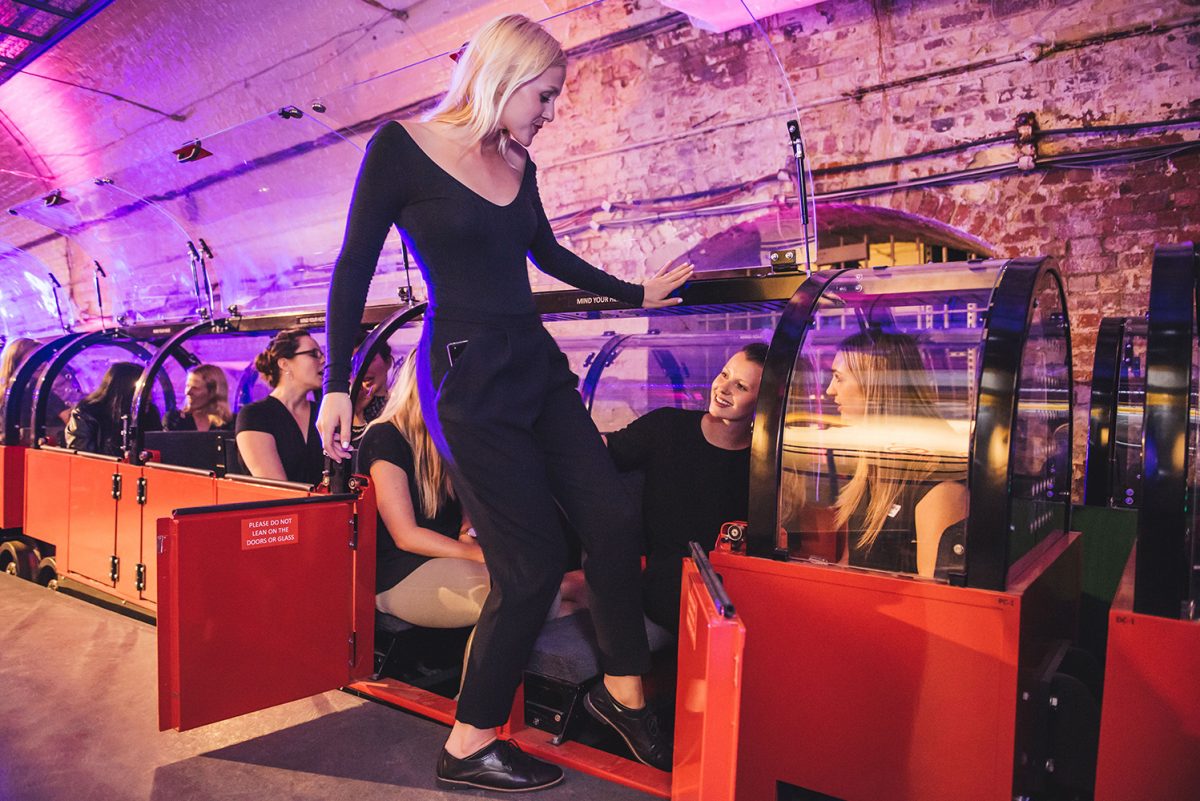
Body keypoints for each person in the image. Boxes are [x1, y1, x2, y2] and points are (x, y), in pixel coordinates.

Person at [319, 14, 690, 791]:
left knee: (615, 517)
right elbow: (353, 266)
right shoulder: (401, 148)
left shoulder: (519, 162)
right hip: (464, 372)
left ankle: (622, 695)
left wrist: (636, 293)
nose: (551, 113)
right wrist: (336, 383)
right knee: (530, 566)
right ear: (506, 74)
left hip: (535, 359)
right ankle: (467, 744)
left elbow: (546, 254)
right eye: (547, 96)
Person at [606, 343, 766, 634]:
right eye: (724, 374)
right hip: (666, 579)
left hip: (728, 582)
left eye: (740, 386)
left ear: (763, 401)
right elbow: (603, 453)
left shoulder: (761, 465)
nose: (723, 388)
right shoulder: (666, 426)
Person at [358, 352, 489, 627]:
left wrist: (467, 534)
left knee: (525, 587)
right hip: (400, 571)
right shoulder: (384, 436)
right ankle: (567, 591)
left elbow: (468, 500)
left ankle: (569, 596)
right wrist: (476, 554)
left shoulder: (448, 435)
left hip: (446, 556)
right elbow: (406, 536)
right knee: (510, 596)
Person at [824, 330, 968, 578]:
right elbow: (850, 564)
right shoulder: (870, 464)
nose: (829, 391)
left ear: (876, 385)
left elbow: (937, 600)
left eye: (839, 378)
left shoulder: (939, 484)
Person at [235, 328, 325, 485]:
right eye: (314, 354)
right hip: (284, 508)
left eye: (322, 354)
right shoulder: (255, 415)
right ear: (284, 364)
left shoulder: (323, 412)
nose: (323, 360)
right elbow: (277, 489)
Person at [65, 362, 155, 456]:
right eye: (145, 392)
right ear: (125, 391)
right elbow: (82, 459)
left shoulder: (149, 413)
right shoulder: (87, 414)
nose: (150, 397)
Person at [350, 335, 393, 446]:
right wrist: (356, 412)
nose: (361, 368)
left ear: (388, 362)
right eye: (354, 363)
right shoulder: (343, 407)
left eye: (368, 360)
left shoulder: (401, 404)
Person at [165, 364, 234, 432]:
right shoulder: (175, 420)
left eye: (195, 388)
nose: (187, 392)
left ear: (213, 392)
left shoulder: (232, 423)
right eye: (187, 386)